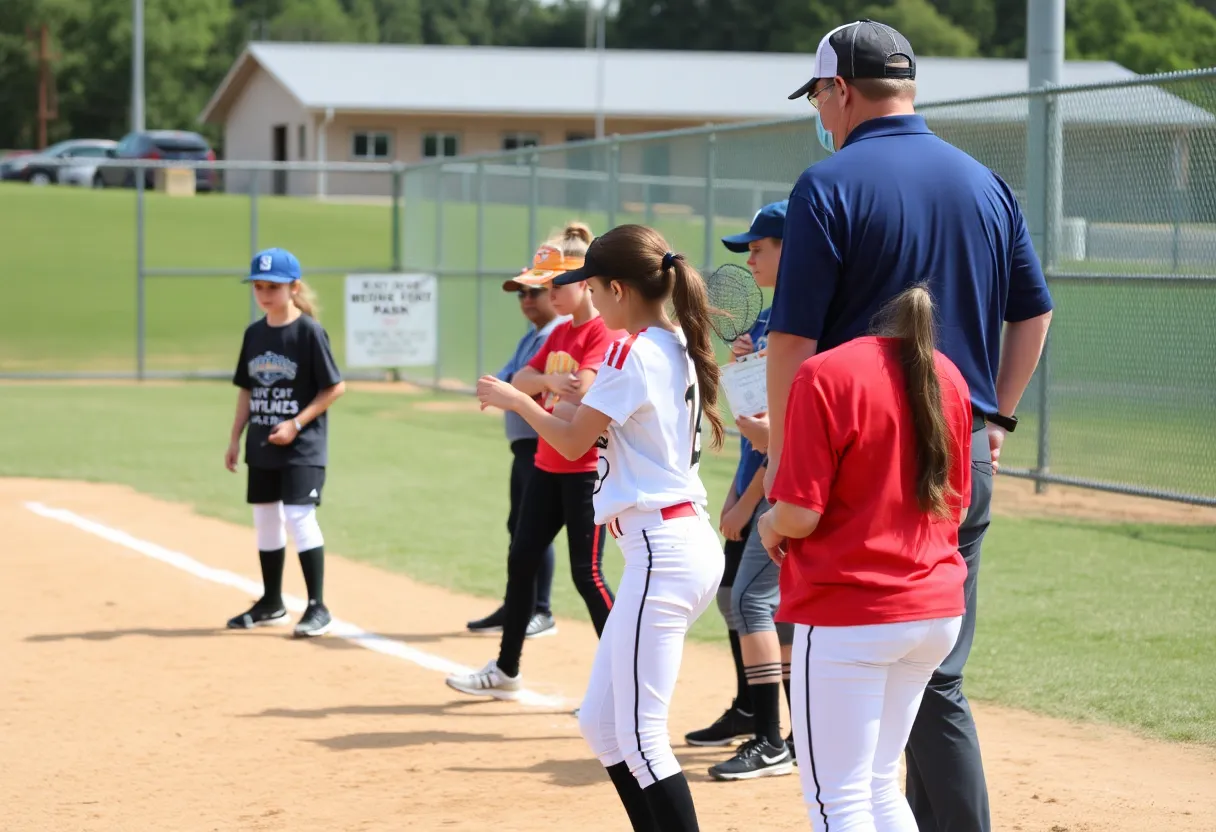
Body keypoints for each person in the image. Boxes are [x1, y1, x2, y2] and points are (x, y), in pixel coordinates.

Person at [767, 19, 1054, 831]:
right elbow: (1034, 313)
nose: (822, 114)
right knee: (933, 667)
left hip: (855, 454)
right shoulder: (984, 181)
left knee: (873, 665)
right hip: (958, 450)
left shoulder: (829, 183)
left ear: (843, 91)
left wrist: (788, 466)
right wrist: (993, 413)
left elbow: (791, 339)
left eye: (821, 96)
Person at [476, 224, 726, 832]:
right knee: (602, 723)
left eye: (593, 287)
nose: (590, 298)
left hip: (662, 547)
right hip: (672, 540)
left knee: (641, 737)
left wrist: (518, 401)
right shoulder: (674, 343)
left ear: (616, 287)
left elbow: (569, 438)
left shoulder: (631, 349)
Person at [760, 284, 972, 832]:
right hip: (934, 609)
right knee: (878, 783)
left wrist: (767, 522)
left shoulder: (825, 372)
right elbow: (958, 504)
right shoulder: (945, 372)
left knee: (839, 800)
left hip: (851, 613)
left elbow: (799, 515)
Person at [446, 223, 624, 698]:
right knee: (521, 558)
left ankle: (620, 681)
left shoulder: (600, 332)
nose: (549, 292)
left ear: (584, 281)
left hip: (584, 471)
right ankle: (506, 671)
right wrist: (548, 383)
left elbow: (581, 394)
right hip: (548, 462)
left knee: (587, 577)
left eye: (555, 283)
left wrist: (540, 386)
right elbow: (523, 378)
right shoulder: (561, 331)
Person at [224, 247, 346, 638]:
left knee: (298, 515)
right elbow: (246, 389)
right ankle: (272, 603)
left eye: (273, 286)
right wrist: (234, 437)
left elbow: (334, 387)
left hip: (302, 445)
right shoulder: (254, 333)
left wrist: (296, 423)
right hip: (261, 442)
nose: (264, 293)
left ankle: (317, 606)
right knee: (264, 518)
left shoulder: (308, 332)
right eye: (258, 286)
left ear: (294, 287)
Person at [464, 269, 571, 640]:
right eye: (521, 294)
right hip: (523, 444)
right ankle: (518, 604)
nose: (526, 300)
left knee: (534, 532)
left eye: (535, 292)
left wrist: (517, 387)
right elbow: (509, 379)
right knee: (518, 528)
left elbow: (515, 386)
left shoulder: (556, 336)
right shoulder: (534, 337)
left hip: (541, 443)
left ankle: (539, 609)